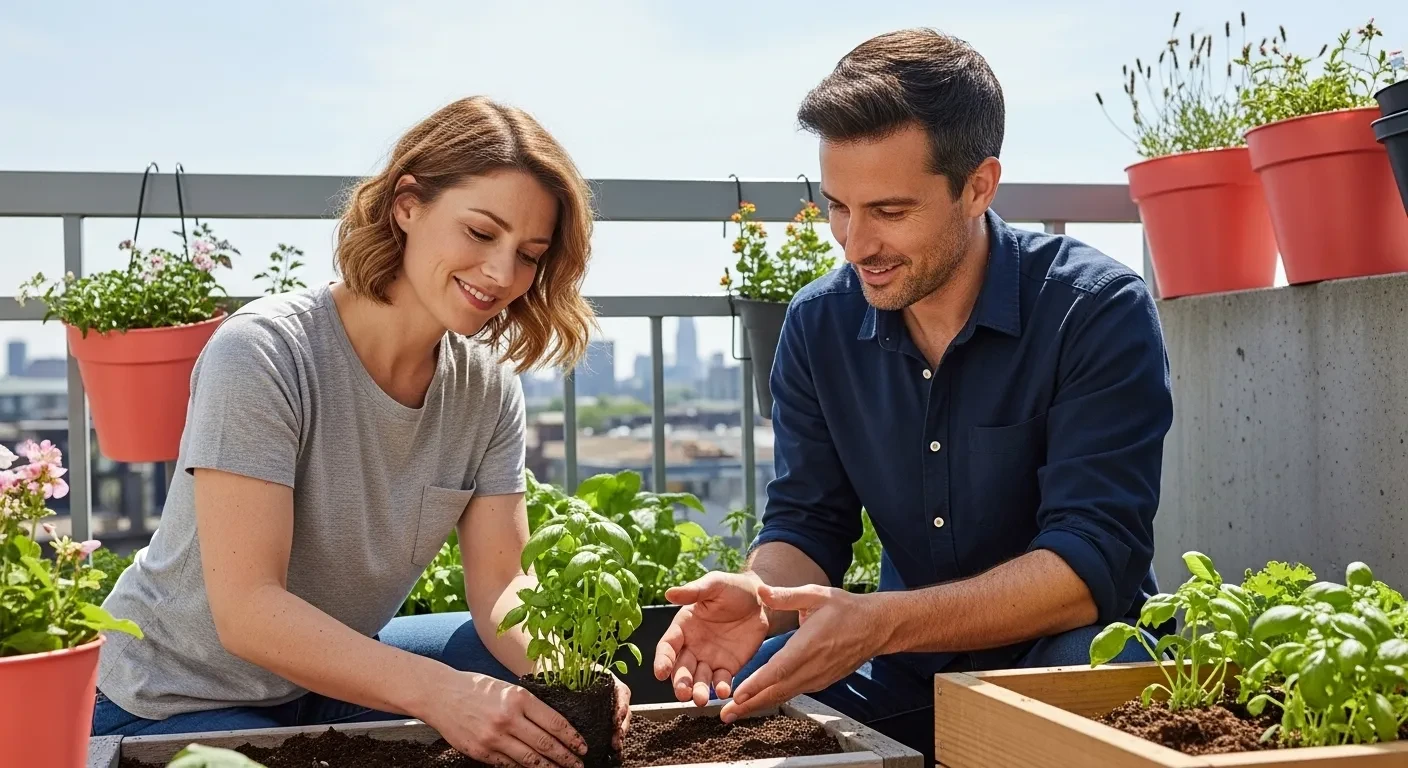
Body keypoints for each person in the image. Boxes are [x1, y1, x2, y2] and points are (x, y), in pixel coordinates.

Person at [654, 29, 1174, 761]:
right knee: (736, 692)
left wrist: (883, 622)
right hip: (901, 672)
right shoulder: (817, 324)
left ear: (978, 186)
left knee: (1113, 669)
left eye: (890, 212)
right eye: (838, 205)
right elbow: (809, 521)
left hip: (1068, 655)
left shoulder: (1094, 309)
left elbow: (1092, 565)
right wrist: (762, 598)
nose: (854, 243)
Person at [92, 96, 628, 768]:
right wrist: (443, 695)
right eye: (480, 233)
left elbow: (502, 589)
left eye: (529, 253)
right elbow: (248, 609)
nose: (501, 274)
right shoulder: (265, 353)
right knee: (458, 695)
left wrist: (577, 675)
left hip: (319, 684)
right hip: (171, 697)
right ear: (408, 204)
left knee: (539, 700)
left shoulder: (487, 387)